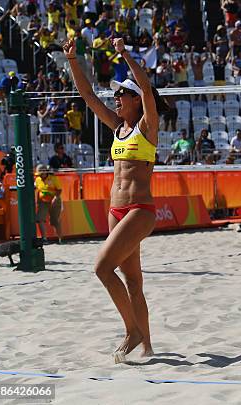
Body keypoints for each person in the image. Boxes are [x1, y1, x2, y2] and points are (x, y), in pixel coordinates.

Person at [64, 36, 170, 362]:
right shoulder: (116, 127)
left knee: (102, 268)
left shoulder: (147, 126)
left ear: (136, 99)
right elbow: (88, 96)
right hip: (116, 209)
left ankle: (131, 331)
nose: (116, 98)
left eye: (121, 93)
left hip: (140, 209)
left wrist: (124, 53)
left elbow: (148, 89)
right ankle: (147, 346)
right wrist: (72, 61)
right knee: (133, 281)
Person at [34, 164, 63, 244]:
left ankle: (60, 238)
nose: (39, 175)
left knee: (54, 221)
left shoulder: (53, 178)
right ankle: (44, 238)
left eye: (41, 174)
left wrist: (55, 198)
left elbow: (59, 190)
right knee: (40, 219)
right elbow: (36, 187)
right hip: (43, 202)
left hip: (54, 201)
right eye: (38, 174)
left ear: (45, 172)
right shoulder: (37, 179)